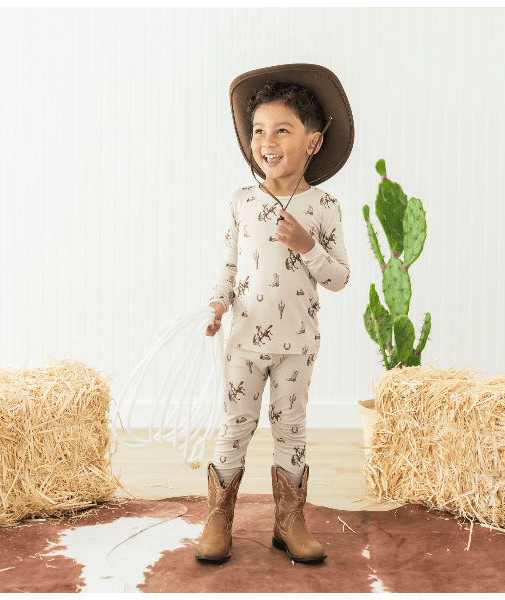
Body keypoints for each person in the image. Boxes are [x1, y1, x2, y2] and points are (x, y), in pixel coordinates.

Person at [196, 63, 354, 565]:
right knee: (236, 425)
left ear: (312, 142)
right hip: (243, 340)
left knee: (291, 429)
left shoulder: (324, 206)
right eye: (259, 131)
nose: (267, 140)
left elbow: (339, 278)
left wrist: (307, 246)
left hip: (298, 345)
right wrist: (217, 304)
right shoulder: (241, 202)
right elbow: (228, 265)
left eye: (282, 129)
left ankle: (290, 521)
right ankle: (219, 516)